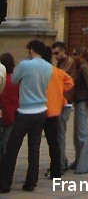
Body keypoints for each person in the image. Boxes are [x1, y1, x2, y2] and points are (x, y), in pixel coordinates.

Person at [0, 39, 53, 193]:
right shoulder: (49, 67)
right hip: (41, 109)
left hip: (26, 110)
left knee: (12, 147)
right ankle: (31, 182)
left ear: (31, 50)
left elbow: (15, 80)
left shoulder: (25, 65)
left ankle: (5, 184)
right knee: (34, 146)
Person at [41, 46, 74, 179]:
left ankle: (56, 166)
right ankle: (57, 168)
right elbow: (69, 83)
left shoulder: (42, 71)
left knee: (36, 142)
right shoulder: (57, 70)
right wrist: (59, 92)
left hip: (42, 109)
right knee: (54, 141)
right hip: (55, 108)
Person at [51, 41, 77, 173]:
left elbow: (59, 77)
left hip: (65, 102)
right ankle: (62, 161)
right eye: (53, 53)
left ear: (63, 51)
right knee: (58, 134)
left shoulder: (69, 63)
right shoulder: (59, 64)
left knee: (60, 134)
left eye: (56, 53)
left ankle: (60, 165)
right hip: (58, 101)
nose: (54, 56)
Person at [70, 48, 88, 174]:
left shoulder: (84, 68)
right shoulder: (79, 67)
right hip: (79, 101)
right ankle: (79, 160)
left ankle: (85, 164)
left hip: (83, 102)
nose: (73, 57)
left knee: (82, 134)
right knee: (77, 134)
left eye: (76, 55)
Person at [0, 53, 19, 168]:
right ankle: (7, 168)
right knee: (8, 143)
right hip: (12, 113)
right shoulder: (15, 80)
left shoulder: (3, 79)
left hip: (2, 111)